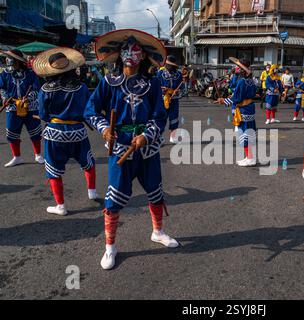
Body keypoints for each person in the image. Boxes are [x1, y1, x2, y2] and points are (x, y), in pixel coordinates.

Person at [84, 29, 178, 270]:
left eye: (136, 50)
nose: (131, 54)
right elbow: (90, 110)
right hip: (120, 148)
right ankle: (110, 247)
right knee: (113, 198)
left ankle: (158, 231)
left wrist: (147, 136)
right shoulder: (108, 83)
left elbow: (159, 116)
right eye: (126, 50)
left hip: (147, 149)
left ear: (143, 56)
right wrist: (105, 129)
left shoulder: (153, 83)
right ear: (119, 54)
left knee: (155, 192)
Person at [33, 47, 97, 216]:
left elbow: (43, 115)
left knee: (53, 169)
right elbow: (87, 110)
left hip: (55, 132)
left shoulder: (45, 89)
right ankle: (93, 192)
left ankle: (61, 205)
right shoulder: (81, 87)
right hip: (78, 131)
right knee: (88, 162)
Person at [0, 49, 44, 167]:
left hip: (30, 107)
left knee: (35, 131)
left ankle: (38, 155)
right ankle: (17, 157)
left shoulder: (30, 73)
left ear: (17, 60)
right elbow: (2, 88)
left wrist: (28, 98)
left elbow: (36, 88)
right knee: (12, 133)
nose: (7, 60)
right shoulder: (5, 73)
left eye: (9, 58)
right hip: (12, 107)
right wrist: (4, 97)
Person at [216, 57, 257, 167]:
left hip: (243, 110)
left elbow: (237, 99)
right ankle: (249, 157)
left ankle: (251, 158)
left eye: (238, 67)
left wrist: (223, 100)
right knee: (247, 133)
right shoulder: (251, 80)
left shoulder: (242, 82)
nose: (236, 69)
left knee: (244, 134)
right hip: (249, 109)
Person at [157, 55, 185, 144]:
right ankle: (159, 137)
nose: (168, 66)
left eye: (171, 65)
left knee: (174, 118)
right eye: (167, 65)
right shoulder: (160, 73)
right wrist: (163, 90)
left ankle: (173, 136)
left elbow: (182, 88)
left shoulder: (178, 74)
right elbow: (156, 86)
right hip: (163, 100)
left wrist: (178, 91)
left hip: (174, 100)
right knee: (161, 118)